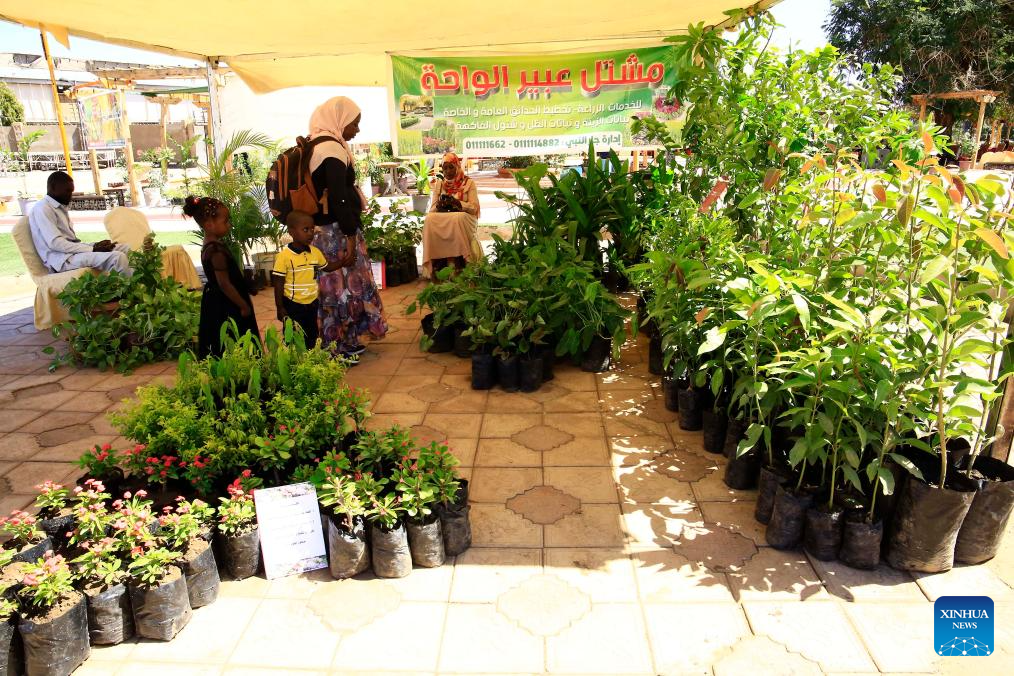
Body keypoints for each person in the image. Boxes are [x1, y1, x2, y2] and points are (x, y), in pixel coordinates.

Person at [307, 96, 387, 359]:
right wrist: (351, 236)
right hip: (336, 234)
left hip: (323, 232)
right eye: (354, 124)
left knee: (333, 290)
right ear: (339, 120)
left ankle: (340, 341)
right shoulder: (331, 150)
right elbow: (339, 198)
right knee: (343, 290)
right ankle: (339, 346)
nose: (357, 130)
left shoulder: (316, 144)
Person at [183, 196, 259, 357]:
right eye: (225, 221)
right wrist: (243, 305)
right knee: (234, 338)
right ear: (209, 225)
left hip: (217, 299)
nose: (229, 225)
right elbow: (224, 284)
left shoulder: (211, 245)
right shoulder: (216, 252)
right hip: (227, 304)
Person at [29, 171, 132, 276]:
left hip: (72, 253)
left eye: (71, 191)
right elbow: (55, 243)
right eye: (67, 191)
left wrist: (95, 245)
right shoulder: (43, 208)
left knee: (125, 249)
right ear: (53, 188)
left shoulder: (59, 207)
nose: (70, 195)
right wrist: (93, 249)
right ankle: (130, 285)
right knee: (117, 257)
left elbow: (71, 242)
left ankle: (135, 281)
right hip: (62, 260)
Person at [272, 210, 342, 346]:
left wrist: (343, 262)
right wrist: (279, 307)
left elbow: (327, 267)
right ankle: (293, 357)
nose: (310, 233)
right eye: (305, 229)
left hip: (311, 303)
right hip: (293, 304)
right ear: (291, 232)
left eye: (312, 229)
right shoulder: (284, 256)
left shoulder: (315, 252)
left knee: (312, 333)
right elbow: (278, 283)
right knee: (292, 336)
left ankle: (311, 355)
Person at [422, 152, 483, 276]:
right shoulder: (440, 184)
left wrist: (457, 203)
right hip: (446, 216)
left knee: (457, 217)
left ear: (457, 166)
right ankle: (436, 265)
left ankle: (461, 263)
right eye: (445, 168)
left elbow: (474, 208)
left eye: (451, 167)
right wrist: (441, 205)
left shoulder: (468, 183)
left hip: (466, 217)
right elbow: (432, 209)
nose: (448, 171)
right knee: (429, 219)